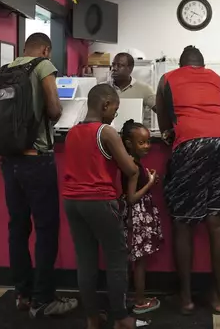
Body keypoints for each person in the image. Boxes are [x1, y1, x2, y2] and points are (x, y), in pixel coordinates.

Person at [156, 46, 220, 315]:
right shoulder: (217, 78)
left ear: (181, 64)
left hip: (191, 143)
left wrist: (170, 134)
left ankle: (186, 299)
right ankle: (217, 298)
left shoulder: (168, 78)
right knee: (218, 223)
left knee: (184, 222)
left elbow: (163, 117)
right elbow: (218, 107)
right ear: (202, 65)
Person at [0, 33, 78, 317]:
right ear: (46, 50)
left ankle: (23, 293)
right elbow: (55, 109)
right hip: (36, 160)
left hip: (9, 161)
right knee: (46, 230)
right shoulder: (43, 66)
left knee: (17, 229)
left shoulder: (5, 69)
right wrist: (52, 113)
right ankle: (43, 299)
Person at [62, 84, 140, 329]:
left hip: (72, 202)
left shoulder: (72, 132)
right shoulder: (106, 132)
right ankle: (121, 318)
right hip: (100, 202)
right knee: (116, 260)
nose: (116, 114)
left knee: (85, 261)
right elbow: (130, 168)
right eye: (115, 108)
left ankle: (92, 318)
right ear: (105, 105)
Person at [120, 119, 164, 315]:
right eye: (142, 142)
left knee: (133, 259)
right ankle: (140, 301)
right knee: (140, 261)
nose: (147, 146)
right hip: (138, 217)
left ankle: (129, 296)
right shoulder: (134, 167)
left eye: (148, 142)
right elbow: (131, 197)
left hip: (133, 217)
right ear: (129, 144)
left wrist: (147, 176)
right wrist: (151, 182)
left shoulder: (129, 162)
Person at [109, 52, 157, 127]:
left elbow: (161, 111)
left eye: (119, 65)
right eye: (113, 65)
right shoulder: (103, 88)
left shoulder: (144, 89)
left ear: (130, 69)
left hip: (134, 136)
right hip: (108, 134)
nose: (114, 68)